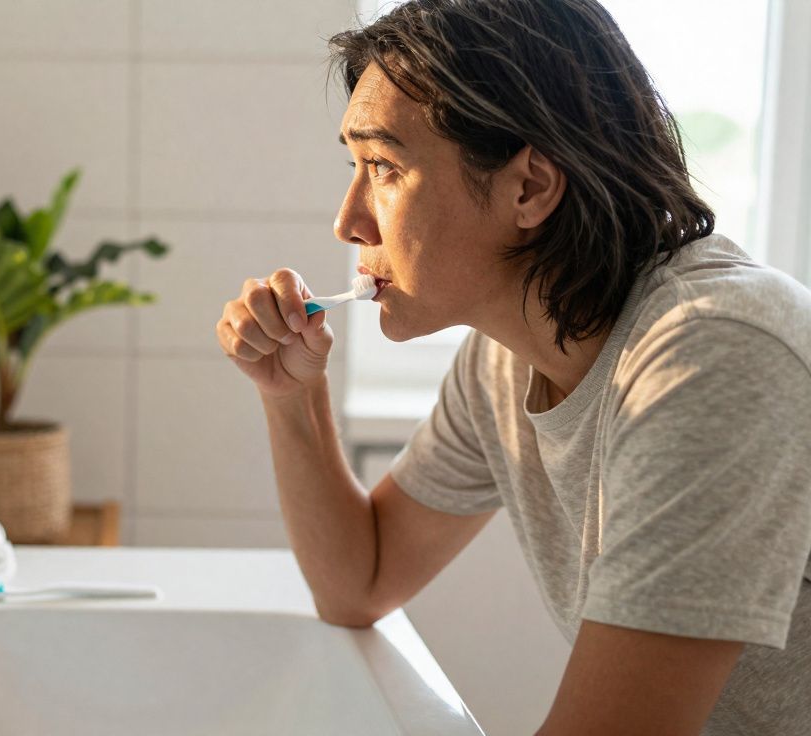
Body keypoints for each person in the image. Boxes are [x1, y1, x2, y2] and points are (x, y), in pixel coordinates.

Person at [215, 1, 811, 733]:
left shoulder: (713, 355)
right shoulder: (504, 359)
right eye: (355, 166)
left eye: (384, 168)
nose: (348, 222)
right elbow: (359, 583)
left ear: (528, 188)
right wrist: (292, 393)